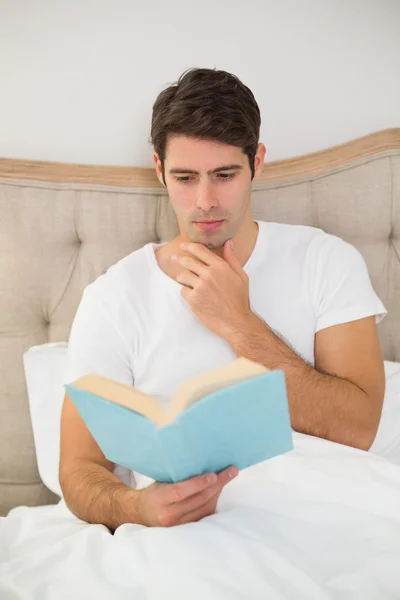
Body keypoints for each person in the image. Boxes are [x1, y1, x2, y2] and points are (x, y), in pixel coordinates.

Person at [59, 68, 387, 531]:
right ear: (159, 170)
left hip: (322, 517)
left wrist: (238, 323)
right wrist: (138, 508)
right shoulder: (113, 297)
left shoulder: (325, 260)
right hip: (188, 534)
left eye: (225, 175)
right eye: (185, 177)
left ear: (258, 162)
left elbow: (358, 429)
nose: (205, 201)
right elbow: (77, 470)